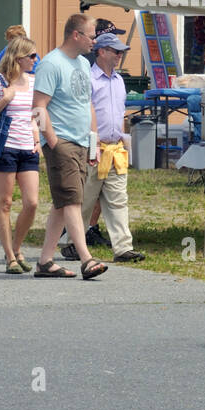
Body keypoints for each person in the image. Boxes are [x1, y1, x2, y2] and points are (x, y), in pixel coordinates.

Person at [31, 14, 107, 279]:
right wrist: (52, 141)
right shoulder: (51, 64)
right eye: (91, 36)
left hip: (81, 142)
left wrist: (93, 142)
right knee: (73, 200)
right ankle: (86, 258)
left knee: (62, 203)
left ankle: (45, 261)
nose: (94, 42)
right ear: (76, 35)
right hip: (61, 141)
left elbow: (88, 104)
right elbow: (38, 107)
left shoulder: (84, 65)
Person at [61, 32, 145, 263]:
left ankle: (123, 248)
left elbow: (119, 114)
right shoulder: (87, 78)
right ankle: (71, 243)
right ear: (101, 52)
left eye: (121, 52)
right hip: (91, 147)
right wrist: (90, 144)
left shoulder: (118, 81)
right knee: (85, 199)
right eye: (116, 51)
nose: (120, 56)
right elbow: (80, 113)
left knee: (118, 200)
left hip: (115, 148)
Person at [0, 35, 42, 274]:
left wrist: (38, 139)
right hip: (4, 148)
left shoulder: (33, 82)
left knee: (32, 202)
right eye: (32, 56)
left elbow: (35, 114)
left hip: (27, 148)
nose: (36, 60)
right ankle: (9, 257)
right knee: (5, 203)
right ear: (19, 58)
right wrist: (4, 100)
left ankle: (17, 247)